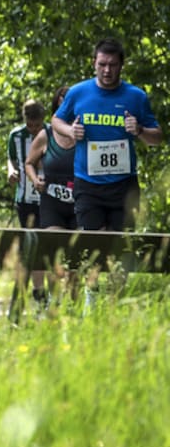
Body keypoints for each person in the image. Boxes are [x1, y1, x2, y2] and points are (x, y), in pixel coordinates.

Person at [51, 39, 162, 307]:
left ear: (122, 65)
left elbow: (157, 137)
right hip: (88, 184)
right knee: (95, 241)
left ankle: (113, 303)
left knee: (120, 246)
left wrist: (139, 131)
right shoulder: (78, 93)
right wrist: (70, 131)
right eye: (102, 64)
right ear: (94, 64)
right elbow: (56, 120)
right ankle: (91, 297)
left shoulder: (136, 97)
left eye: (113, 65)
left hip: (124, 185)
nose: (107, 70)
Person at [24, 86, 74, 307]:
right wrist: (35, 180)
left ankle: (73, 305)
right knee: (55, 253)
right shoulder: (45, 135)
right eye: (61, 104)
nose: (66, 109)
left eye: (70, 104)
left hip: (80, 203)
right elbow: (28, 163)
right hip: (52, 203)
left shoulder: (86, 133)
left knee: (76, 261)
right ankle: (54, 303)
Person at [7, 99, 46, 229]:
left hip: (47, 196)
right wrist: (12, 171)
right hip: (24, 197)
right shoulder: (16, 135)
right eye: (30, 125)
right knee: (28, 239)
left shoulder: (52, 133)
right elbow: (11, 158)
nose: (34, 129)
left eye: (37, 125)